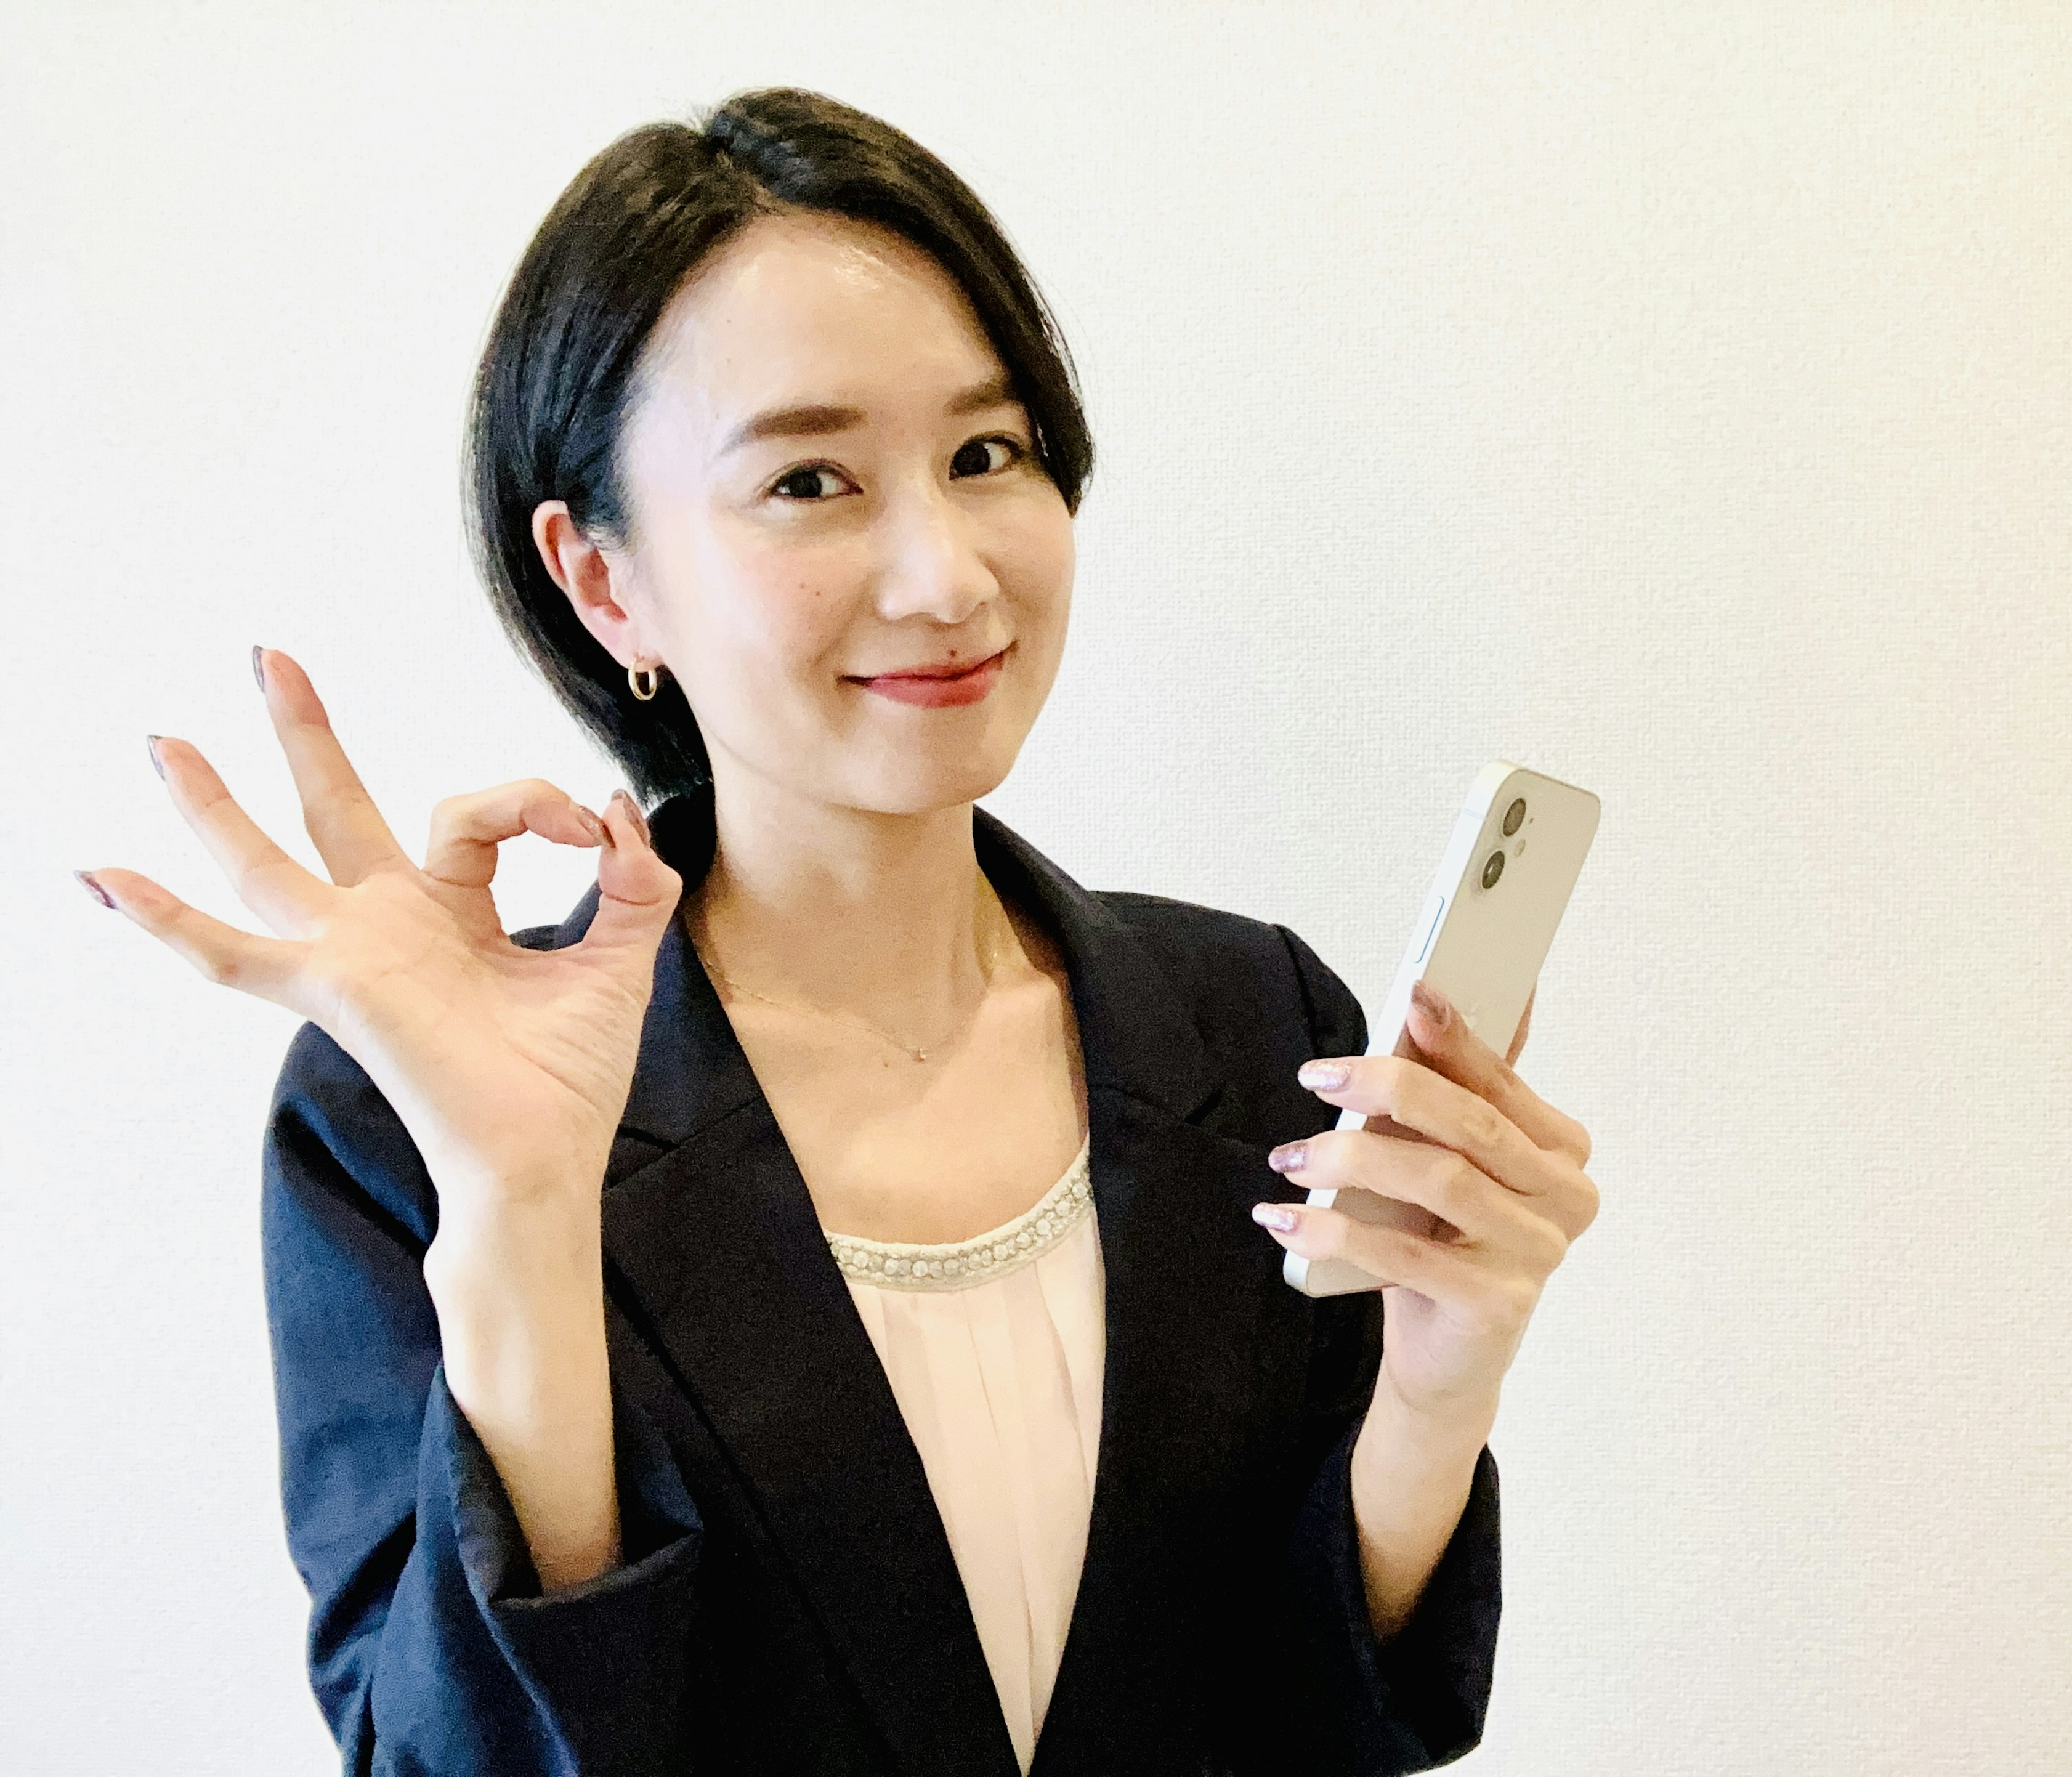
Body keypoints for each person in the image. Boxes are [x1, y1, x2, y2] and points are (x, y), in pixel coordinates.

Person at [73, 87, 1600, 1777]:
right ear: (603, 582)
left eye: (986, 454)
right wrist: (520, 1212)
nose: (945, 575)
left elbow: (1317, 1716)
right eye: (810, 480)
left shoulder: (1252, 1027)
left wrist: (1443, 1385)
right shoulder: (400, 1113)